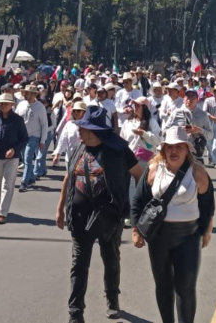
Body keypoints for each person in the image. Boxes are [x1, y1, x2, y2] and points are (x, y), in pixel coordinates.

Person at [56, 106, 144, 322]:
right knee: (79, 264)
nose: (79, 131)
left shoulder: (120, 152)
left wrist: (134, 209)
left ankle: (112, 299)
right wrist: (60, 209)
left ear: (95, 132)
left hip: (109, 219)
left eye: (83, 128)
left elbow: (140, 176)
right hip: (79, 218)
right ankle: (75, 313)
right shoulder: (80, 148)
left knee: (111, 259)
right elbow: (68, 178)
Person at [130, 126, 215, 323]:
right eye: (169, 147)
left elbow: (208, 206)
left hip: (188, 237)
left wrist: (206, 232)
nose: (174, 151)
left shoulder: (198, 173)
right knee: (163, 285)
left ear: (187, 149)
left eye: (179, 147)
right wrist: (136, 231)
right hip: (158, 237)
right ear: (163, 149)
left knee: (185, 288)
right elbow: (137, 200)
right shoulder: (153, 170)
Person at [0, 93, 28, 223]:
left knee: (7, 185)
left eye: (6, 103)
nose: (3, 106)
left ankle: (2, 213)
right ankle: (3, 206)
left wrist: (14, 149)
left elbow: (24, 138)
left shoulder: (18, 120)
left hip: (12, 158)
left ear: (11, 105)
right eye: (1, 103)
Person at [16, 86, 49, 192]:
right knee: (25, 158)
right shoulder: (21, 105)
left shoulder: (40, 107)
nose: (25, 94)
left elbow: (44, 124)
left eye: (28, 93)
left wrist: (43, 140)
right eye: (25, 92)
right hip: (22, 136)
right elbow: (16, 118)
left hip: (34, 136)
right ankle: (31, 178)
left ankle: (24, 182)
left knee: (27, 158)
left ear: (34, 94)